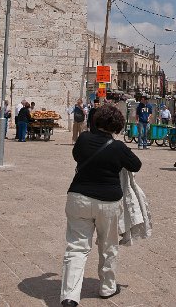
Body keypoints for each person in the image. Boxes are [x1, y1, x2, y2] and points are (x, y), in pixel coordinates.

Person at [60, 104, 142, 307]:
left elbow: (77, 156)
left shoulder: (84, 139)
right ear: (117, 125)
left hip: (78, 198)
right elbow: (136, 165)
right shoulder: (118, 147)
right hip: (108, 202)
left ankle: (70, 296)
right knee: (108, 246)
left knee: (76, 248)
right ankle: (107, 287)